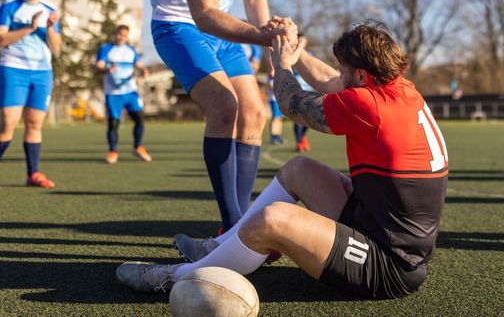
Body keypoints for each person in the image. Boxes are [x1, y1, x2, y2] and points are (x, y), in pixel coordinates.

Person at [117, 22, 449, 299]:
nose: (339, 76)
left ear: (361, 76)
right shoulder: (400, 90)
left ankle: (176, 276)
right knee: (298, 168)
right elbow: (332, 82)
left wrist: (283, 64)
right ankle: (219, 247)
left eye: (344, 70)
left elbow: (292, 104)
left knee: (273, 219)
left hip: (388, 266)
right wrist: (296, 50)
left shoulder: (367, 105)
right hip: (376, 228)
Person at [149, 0, 296, 232]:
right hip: (179, 25)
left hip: (223, 29)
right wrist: (261, 37)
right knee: (224, 105)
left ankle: (235, 224)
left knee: (255, 114)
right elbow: (203, 14)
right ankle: (235, 227)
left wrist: (270, 49)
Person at [0, 0, 61, 188]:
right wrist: (31, 27)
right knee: (9, 121)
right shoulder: (9, 8)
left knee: (35, 124)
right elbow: (2, 40)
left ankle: (33, 174)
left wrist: (51, 28)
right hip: (13, 69)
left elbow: (56, 49)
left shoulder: (50, 12)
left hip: (42, 72)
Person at [96, 25, 151, 164]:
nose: (121, 37)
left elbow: (138, 65)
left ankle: (138, 147)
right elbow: (99, 66)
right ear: (115, 34)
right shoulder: (106, 49)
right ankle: (113, 151)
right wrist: (108, 69)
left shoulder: (131, 50)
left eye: (125, 35)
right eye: (119, 34)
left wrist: (144, 70)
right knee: (113, 123)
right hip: (113, 93)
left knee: (139, 119)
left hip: (130, 91)